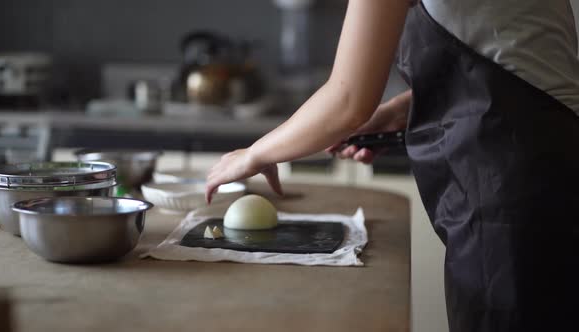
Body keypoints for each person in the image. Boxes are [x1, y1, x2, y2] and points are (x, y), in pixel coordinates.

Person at [206, 1, 579, 331]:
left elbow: (349, 100)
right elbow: (510, 51)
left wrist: (255, 153)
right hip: (546, 169)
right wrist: (404, 108)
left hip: (516, 193)